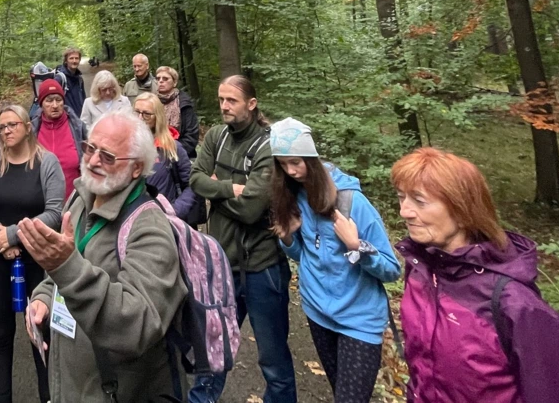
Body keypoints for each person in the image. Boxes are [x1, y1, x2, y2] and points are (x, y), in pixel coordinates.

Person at [391, 148, 559, 403]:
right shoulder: (421, 272)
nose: (405, 211)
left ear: (462, 210)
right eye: (402, 198)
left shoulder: (516, 305)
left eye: (419, 201)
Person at [22, 112, 188, 403]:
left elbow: (140, 325)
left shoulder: (149, 227)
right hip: (74, 383)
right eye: (90, 148)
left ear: (137, 168)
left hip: (117, 391)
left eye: (108, 156)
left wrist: (67, 267)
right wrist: (43, 298)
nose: (93, 160)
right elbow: (62, 267)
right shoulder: (82, 196)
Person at [269, 118, 399, 403]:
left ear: (311, 158)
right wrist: (288, 239)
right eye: (282, 164)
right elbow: (305, 256)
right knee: (340, 391)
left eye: (295, 162)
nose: (290, 171)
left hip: (359, 321)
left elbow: (392, 269)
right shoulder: (293, 195)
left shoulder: (352, 202)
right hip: (318, 313)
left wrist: (356, 246)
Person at [189, 76, 294, 403]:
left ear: (251, 103)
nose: (223, 106)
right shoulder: (217, 137)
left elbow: (251, 209)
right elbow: (194, 179)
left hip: (262, 270)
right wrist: (229, 189)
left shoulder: (267, 145)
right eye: (221, 99)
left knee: (273, 360)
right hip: (221, 268)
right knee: (213, 351)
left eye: (231, 100)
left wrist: (215, 191)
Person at [0, 104, 65, 403]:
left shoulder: (46, 163)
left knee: (39, 331)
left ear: (27, 126)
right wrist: (0, 237)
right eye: (2, 127)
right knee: (0, 333)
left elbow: (55, 212)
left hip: (37, 258)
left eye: (12, 125)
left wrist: (13, 235)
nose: (7, 131)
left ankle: (49, 396)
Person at [134, 92, 198, 222]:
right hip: (134, 220)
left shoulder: (172, 148)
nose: (140, 118)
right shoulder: (125, 146)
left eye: (146, 114)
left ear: (157, 117)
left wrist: (175, 210)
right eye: (136, 112)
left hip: (166, 221)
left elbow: (191, 184)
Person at [34, 77, 85, 200]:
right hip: (41, 203)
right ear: (41, 104)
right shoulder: (32, 130)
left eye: (58, 99)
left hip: (75, 200)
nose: (55, 105)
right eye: (49, 101)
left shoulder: (78, 127)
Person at [154, 65, 201, 158]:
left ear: (174, 82)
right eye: (158, 78)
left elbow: (191, 135)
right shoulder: (151, 102)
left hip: (179, 153)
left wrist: (173, 152)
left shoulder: (184, 104)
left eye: (165, 78)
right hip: (155, 153)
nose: (160, 81)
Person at [53, 47, 87, 117]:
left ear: (79, 60)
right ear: (66, 61)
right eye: (71, 58)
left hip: (79, 119)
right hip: (66, 120)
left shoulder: (79, 79)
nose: (74, 61)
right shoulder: (60, 79)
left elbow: (84, 100)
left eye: (76, 58)